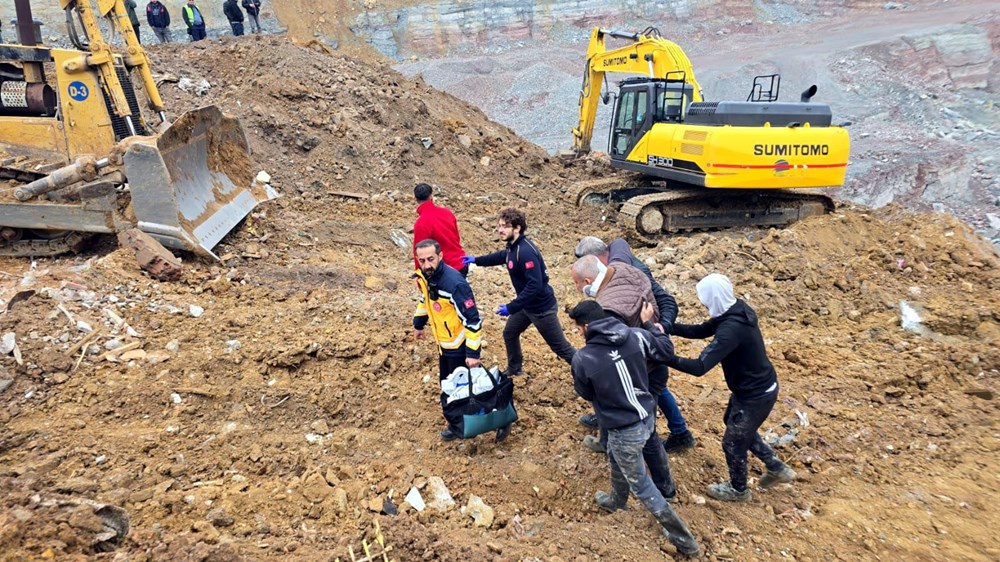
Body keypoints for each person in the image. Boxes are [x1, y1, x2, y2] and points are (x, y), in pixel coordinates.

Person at [569, 300, 700, 557]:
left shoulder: (583, 358)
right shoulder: (636, 335)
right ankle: (618, 501)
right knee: (630, 453)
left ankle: (684, 540)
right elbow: (665, 350)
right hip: (646, 412)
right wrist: (649, 322)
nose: (577, 332)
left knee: (641, 484)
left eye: (577, 328)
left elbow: (584, 391)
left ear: (586, 327)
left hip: (622, 427)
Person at [668, 273, 796, 501]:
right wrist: (669, 327)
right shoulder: (736, 309)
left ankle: (738, 490)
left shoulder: (731, 330)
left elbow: (700, 366)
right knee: (735, 426)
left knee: (732, 442)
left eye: (705, 299)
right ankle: (775, 466)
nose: (703, 303)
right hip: (754, 387)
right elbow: (702, 330)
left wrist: (665, 357)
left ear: (713, 298)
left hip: (756, 395)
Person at [574, 236, 696, 453]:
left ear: (599, 260)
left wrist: (659, 327)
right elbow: (620, 241)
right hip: (645, 343)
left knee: (643, 394)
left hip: (645, 344)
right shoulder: (615, 259)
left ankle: (648, 446)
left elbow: (664, 299)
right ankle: (678, 431)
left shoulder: (633, 273)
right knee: (654, 385)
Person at [413, 239, 508, 443]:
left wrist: (472, 353)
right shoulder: (426, 278)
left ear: (440, 256)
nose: (427, 264)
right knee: (450, 387)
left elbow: (472, 319)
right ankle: (458, 424)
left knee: (470, 389)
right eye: (422, 261)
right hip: (444, 344)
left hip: (458, 345)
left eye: (431, 259)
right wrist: (418, 323)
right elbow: (426, 300)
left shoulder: (454, 283)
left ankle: (499, 419)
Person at [462, 208, 576, 376]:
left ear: (517, 228)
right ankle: (515, 370)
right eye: (499, 226)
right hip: (526, 306)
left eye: (505, 226)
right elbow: (501, 256)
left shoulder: (525, 252)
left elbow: (535, 286)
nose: (500, 230)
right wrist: (476, 261)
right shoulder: (513, 247)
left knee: (561, 348)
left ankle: (590, 371)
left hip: (541, 309)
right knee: (510, 332)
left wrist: (511, 307)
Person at [412, 183, 467, 276]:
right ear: (431, 196)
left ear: (415, 199)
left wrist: (420, 276)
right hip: (461, 263)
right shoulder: (447, 213)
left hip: (444, 271)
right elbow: (456, 238)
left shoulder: (421, 223)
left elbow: (420, 252)